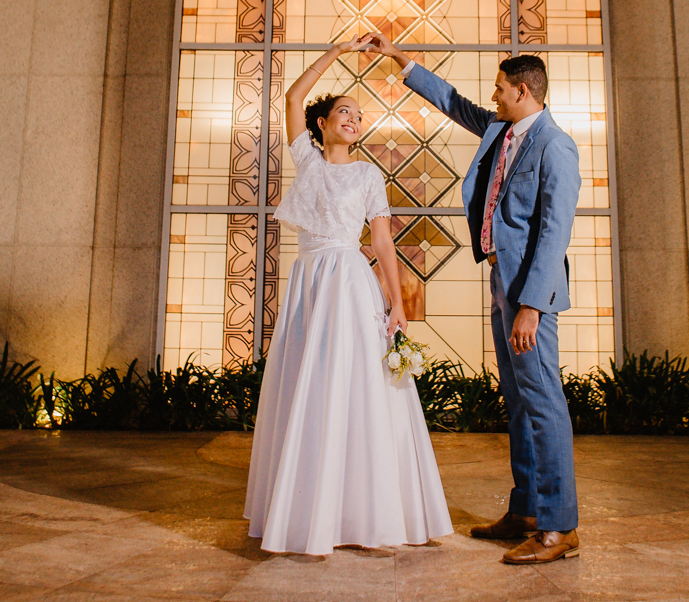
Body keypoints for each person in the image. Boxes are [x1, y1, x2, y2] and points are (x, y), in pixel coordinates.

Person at [366, 33, 581, 565]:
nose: (494, 96)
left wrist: (531, 304)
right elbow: (452, 101)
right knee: (518, 402)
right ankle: (526, 511)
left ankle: (560, 528)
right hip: (499, 284)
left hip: (531, 293)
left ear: (526, 92)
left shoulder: (556, 145)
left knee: (543, 401)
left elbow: (555, 230)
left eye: (501, 89)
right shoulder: (500, 129)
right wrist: (399, 59)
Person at [244, 36, 453, 555]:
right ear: (323, 124)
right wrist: (336, 52)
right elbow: (292, 98)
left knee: (358, 386)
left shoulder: (367, 174)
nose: (353, 119)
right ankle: (309, 510)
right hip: (309, 284)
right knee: (309, 386)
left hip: (351, 283)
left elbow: (381, 241)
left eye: (359, 116)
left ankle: (366, 513)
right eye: (344, 111)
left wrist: (399, 305)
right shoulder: (308, 162)